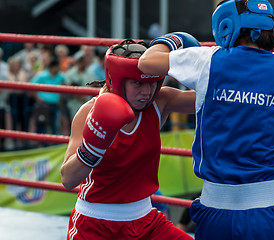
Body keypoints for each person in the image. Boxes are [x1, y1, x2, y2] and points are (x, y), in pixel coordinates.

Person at [138, 0, 274, 239]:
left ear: (225, 25)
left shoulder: (208, 60)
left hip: (216, 210)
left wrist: (172, 41)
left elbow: (146, 62)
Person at [60, 40, 197, 240]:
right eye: (138, 83)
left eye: (152, 82)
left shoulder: (159, 102)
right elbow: (68, 180)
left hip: (146, 221)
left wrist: (193, 62)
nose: (147, 91)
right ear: (116, 78)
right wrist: (91, 149)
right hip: (95, 226)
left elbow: (215, 99)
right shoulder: (89, 112)